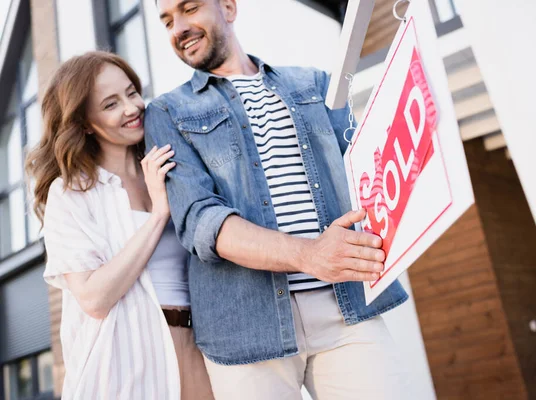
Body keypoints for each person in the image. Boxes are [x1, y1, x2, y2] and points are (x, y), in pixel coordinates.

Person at [145, 0, 410, 398]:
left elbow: (367, 167)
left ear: (229, 8)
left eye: (190, 8)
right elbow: (202, 222)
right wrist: (310, 255)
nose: (178, 28)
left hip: (348, 308)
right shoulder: (167, 112)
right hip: (247, 331)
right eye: (167, 21)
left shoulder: (315, 84)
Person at [26, 51, 214, 400]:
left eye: (131, 92)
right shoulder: (72, 193)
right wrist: (158, 215)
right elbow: (95, 297)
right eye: (111, 104)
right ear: (83, 122)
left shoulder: (172, 167)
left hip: (198, 347)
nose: (132, 108)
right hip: (123, 359)